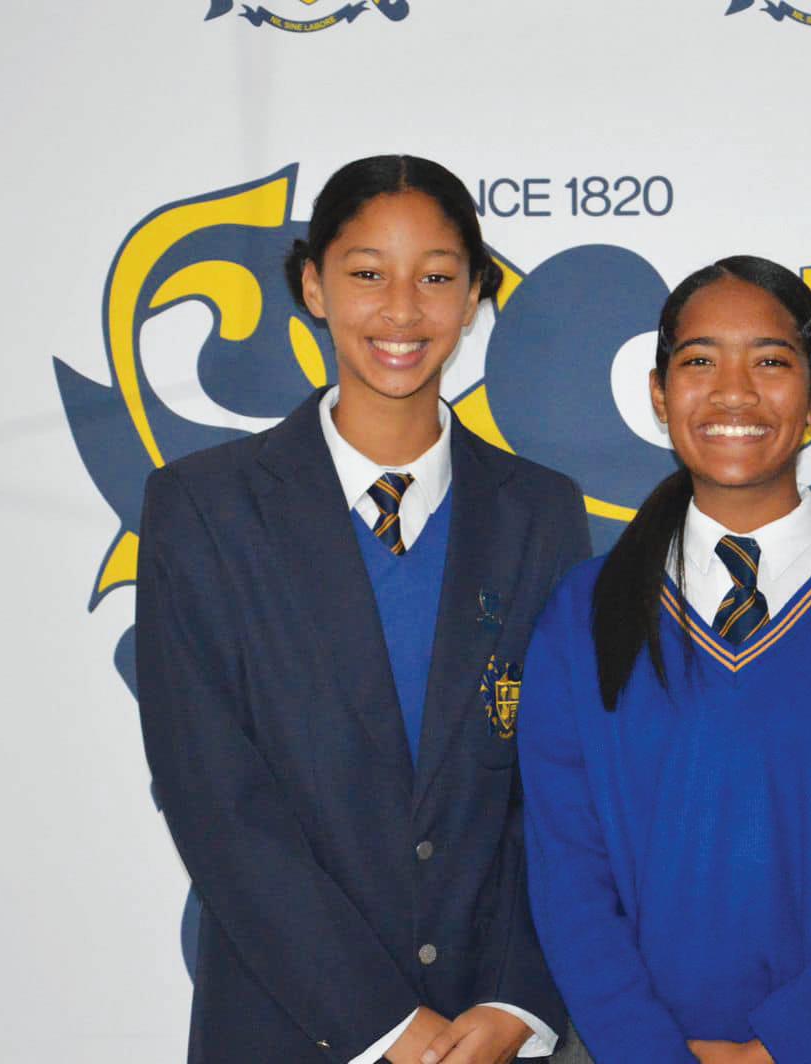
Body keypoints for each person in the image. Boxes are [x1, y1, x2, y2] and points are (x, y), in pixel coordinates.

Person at [135, 154, 590, 1064]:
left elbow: (560, 784)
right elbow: (214, 796)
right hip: (284, 1025)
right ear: (313, 286)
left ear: (474, 295)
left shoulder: (540, 512)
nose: (402, 311)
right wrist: (381, 1022)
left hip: (485, 1034)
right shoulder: (205, 509)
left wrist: (516, 997)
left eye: (437, 277)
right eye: (368, 274)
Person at [518, 256, 811, 1064]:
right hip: (619, 1048)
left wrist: (784, 1044)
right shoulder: (582, 612)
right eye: (700, 361)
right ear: (660, 393)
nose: (733, 393)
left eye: (769, 361)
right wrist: (647, 1051)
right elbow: (566, 873)